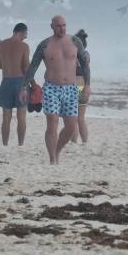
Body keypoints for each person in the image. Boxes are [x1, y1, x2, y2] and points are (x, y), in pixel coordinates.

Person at [23, 14, 90, 165]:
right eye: (59, 26)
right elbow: (33, 66)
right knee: (52, 121)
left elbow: (85, 65)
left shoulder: (75, 41)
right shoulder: (45, 45)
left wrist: (87, 86)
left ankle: (57, 150)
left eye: (64, 25)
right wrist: (24, 86)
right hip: (51, 88)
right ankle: (52, 158)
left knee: (71, 126)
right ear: (52, 27)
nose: (62, 28)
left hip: (72, 89)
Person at [0, 23, 31, 146]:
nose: (25, 38)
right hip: (20, 82)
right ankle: (20, 144)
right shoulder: (24, 46)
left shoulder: (1, 45)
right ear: (20, 32)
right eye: (25, 35)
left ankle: (5, 144)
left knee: (6, 118)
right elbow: (26, 68)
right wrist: (32, 84)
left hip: (6, 81)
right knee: (21, 117)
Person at [71, 29, 91, 145]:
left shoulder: (72, 55)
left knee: (73, 118)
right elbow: (86, 70)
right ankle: (84, 142)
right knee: (81, 118)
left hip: (74, 87)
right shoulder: (87, 55)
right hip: (84, 86)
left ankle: (74, 142)